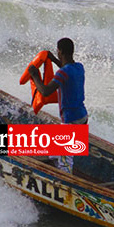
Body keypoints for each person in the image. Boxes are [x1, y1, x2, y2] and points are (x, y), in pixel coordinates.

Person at [27, 37, 88, 173]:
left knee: (65, 164)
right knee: (60, 150)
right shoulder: (79, 67)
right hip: (82, 116)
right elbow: (66, 68)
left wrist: (35, 75)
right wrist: (53, 59)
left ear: (60, 51)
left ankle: (66, 183)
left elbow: (45, 91)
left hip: (71, 120)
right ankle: (58, 155)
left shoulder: (63, 73)